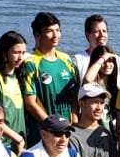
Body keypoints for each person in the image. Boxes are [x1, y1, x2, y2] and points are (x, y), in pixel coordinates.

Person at [20, 12, 80, 146]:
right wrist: (51, 125)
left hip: (67, 128)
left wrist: (74, 119)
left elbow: (74, 95)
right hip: (43, 129)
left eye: (58, 30)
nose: (55, 35)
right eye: (49, 31)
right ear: (37, 35)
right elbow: (30, 103)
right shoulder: (31, 62)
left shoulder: (67, 59)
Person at [0, 30, 30, 151]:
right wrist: (16, 138)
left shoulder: (19, 76)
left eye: (23, 53)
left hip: (19, 142)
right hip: (3, 143)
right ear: (5, 52)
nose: (21, 57)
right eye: (16, 52)